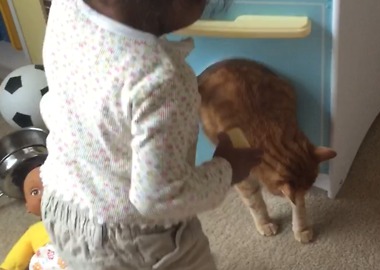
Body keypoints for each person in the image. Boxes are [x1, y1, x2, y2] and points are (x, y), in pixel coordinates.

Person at [39, 0, 262, 269]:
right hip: (132, 240)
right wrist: (226, 170)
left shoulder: (66, 6)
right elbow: (159, 199)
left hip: (62, 204)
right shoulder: (160, 79)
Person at [1, 164, 69, 270]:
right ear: (28, 207)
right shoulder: (34, 231)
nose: (44, 194)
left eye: (50, 186)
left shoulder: (82, 219)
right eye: (35, 192)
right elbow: (14, 261)